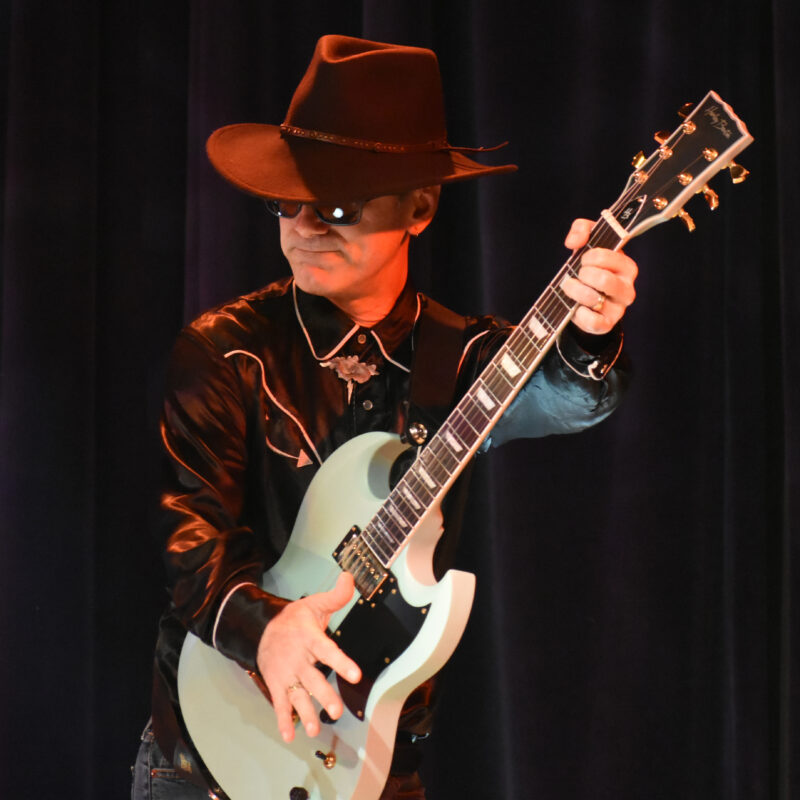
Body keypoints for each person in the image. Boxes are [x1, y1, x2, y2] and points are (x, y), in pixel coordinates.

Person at [131, 34, 638, 800]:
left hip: (369, 756)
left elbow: (566, 397)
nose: (303, 226)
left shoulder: (465, 359)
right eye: (286, 203)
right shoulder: (227, 352)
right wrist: (266, 629)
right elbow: (189, 537)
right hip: (205, 754)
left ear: (421, 207)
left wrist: (591, 334)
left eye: (335, 206)